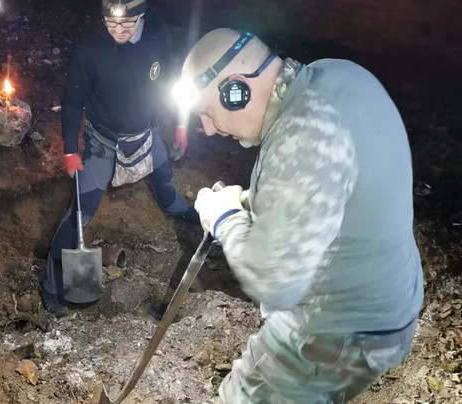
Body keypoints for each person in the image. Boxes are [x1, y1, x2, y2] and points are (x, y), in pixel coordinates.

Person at [180, 28, 424, 402]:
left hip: (341, 328)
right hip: (391, 300)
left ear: (236, 91)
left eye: (208, 114)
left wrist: (226, 218)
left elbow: (274, 280)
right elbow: (335, 186)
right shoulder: (336, 74)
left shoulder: (301, 136)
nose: (209, 130)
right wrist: (250, 201)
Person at [41, 0, 199, 318]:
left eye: (126, 24)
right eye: (111, 24)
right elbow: (72, 101)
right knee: (80, 212)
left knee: (163, 174)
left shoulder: (157, 35)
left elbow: (176, 82)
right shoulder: (90, 49)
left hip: (147, 132)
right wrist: (71, 149)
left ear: (141, 17)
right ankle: (53, 285)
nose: (118, 31)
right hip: (103, 142)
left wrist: (181, 123)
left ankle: (175, 207)